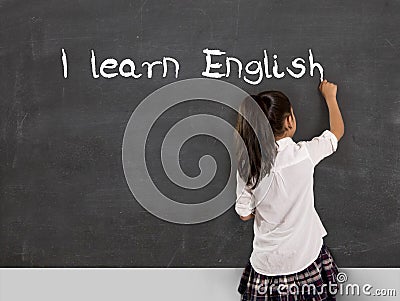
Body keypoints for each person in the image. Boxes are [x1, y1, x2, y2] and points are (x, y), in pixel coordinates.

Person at [234, 80, 344, 300]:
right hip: (305, 256)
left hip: (267, 266)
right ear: (289, 121)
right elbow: (336, 133)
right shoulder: (303, 154)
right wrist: (330, 97)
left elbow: (244, 213)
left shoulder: (249, 166)